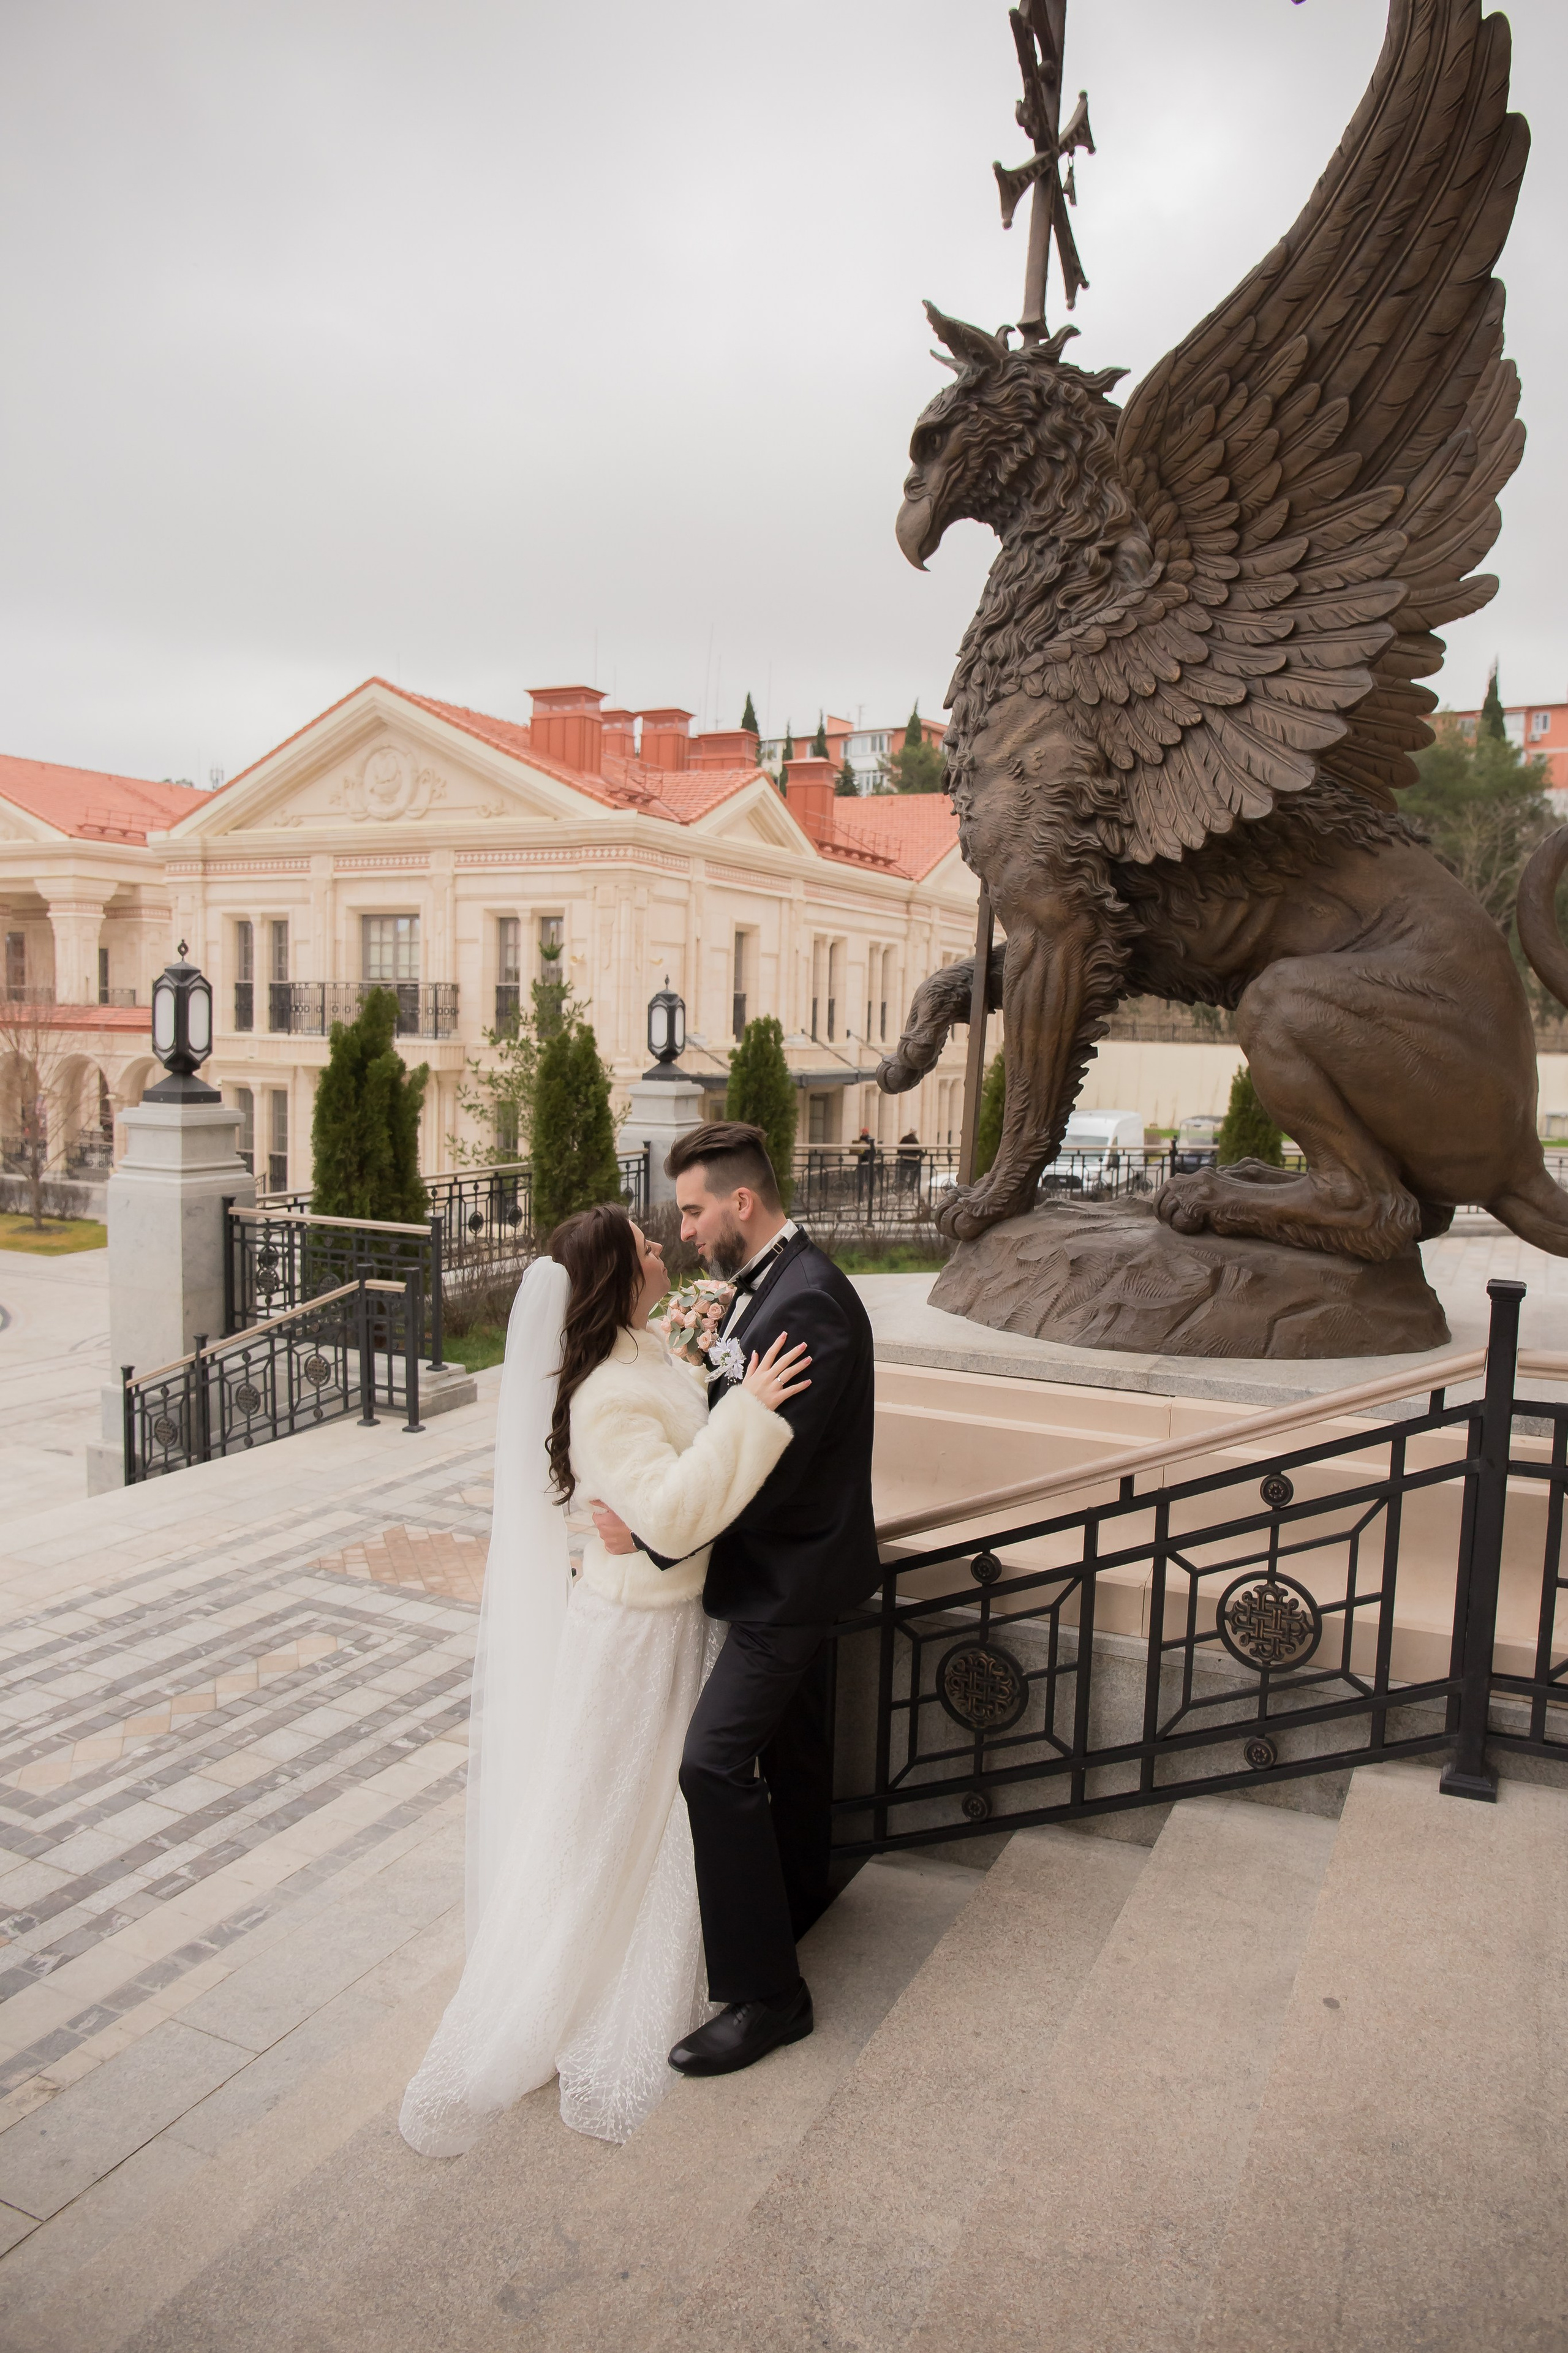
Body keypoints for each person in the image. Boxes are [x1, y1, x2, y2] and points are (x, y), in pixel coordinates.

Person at [399, 1202, 810, 2156]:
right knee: (613, 1810)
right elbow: (668, 1501)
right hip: (638, 1634)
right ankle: (571, 1978)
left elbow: (664, 1490)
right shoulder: (607, 1396)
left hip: (667, 1615)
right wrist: (749, 1412)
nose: (662, 1248)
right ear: (617, 1281)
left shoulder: (644, 1348)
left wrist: (716, 1376)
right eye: (644, 1247)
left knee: (652, 1809)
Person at [593, 1120, 880, 2078]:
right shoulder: (770, 1288)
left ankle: (768, 1996)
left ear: (740, 1204)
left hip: (787, 1580)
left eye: (692, 1209)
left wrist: (656, 1527)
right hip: (769, 1574)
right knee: (790, 1755)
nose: (681, 1232)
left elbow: (772, 1476)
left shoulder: (810, 1305)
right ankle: (798, 1906)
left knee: (711, 1766)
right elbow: (731, 1420)